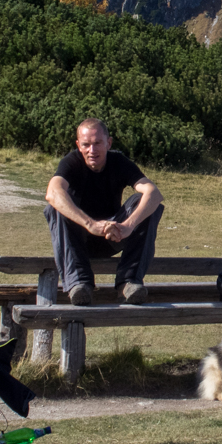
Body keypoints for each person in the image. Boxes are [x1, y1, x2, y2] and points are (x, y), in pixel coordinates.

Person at [45, 118, 164, 305]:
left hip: (114, 236)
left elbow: (154, 193)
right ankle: (79, 284)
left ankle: (129, 282)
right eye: (86, 145)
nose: (92, 151)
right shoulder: (71, 162)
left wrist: (128, 226)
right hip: (78, 239)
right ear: (78, 145)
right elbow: (53, 192)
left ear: (108, 143)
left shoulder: (119, 161)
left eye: (97, 143)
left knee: (147, 203)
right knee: (56, 206)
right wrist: (90, 225)